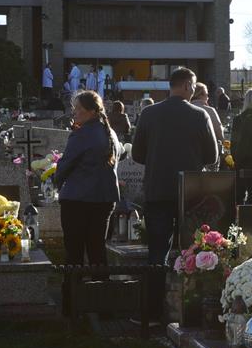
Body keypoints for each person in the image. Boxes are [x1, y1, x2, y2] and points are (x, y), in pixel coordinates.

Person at [128, 67, 220, 265]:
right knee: (193, 251)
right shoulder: (200, 115)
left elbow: (137, 154)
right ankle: (189, 284)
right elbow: (212, 157)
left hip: (157, 189)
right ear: (187, 85)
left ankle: (157, 284)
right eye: (193, 86)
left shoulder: (148, 113)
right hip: (191, 193)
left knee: (157, 250)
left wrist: (156, 161)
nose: (193, 91)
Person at [57, 90, 120, 267]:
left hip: (77, 199)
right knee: (97, 250)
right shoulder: (111, 134)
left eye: (78, 108)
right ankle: (99, 283)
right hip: (104, 199)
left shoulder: (82, 134)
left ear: (92, 111)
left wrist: (56, 182)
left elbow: (65, 166)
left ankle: (73, 285)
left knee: (74, 253)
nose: (74, 113)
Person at [191, 82, 226, 149]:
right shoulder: (210, 110)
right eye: (207, 94)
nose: (208, 97)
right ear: (200, 95)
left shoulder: (185, 109)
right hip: (208, 149)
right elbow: (219, 132)